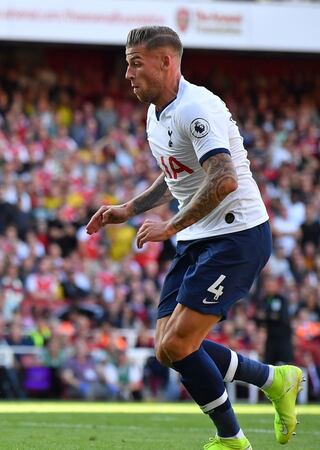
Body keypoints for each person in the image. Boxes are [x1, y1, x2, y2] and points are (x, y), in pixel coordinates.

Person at [87, 26, 303, 450]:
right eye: (126, 63)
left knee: (181, 343)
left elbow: (223, 180)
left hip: (237, 235)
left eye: (135, 63)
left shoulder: (195, 108)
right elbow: (176, 175)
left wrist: (170, 227)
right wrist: (129, 209)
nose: (127, 73)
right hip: (199, 237)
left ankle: (232, 440)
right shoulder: (156, 113)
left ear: (166, 62)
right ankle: (275, 379)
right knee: (166, 349)